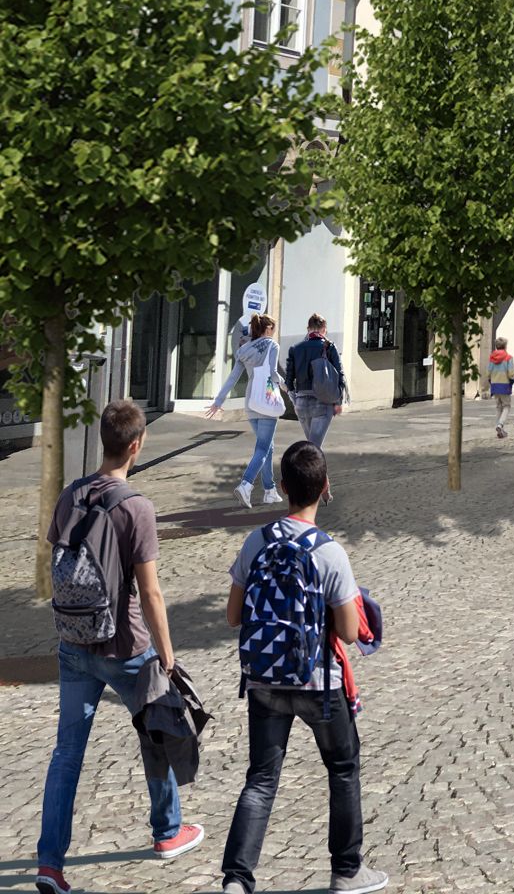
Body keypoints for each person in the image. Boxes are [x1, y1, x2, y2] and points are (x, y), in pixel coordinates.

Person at [36, 399, 205, 894]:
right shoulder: (137, 507)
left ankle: (49, 864)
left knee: (66, 753)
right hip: (127, 645)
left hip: (73, 641)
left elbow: (57, 561)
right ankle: (167, 833)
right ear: (136, 445)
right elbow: (150, 591)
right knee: (157, 728)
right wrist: (166, 655)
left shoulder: (70, 495)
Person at [220, 442, 386, 894]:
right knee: (343, 768)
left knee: (261, 778)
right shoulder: (329, 552)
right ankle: (347, 871)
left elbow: (234, 617)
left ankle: (237, 880)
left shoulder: (256, 541)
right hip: (318, 682)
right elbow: (350, 633)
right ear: (324, 488)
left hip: (263, 678)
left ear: (284, 487)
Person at [205, 314, 285, 509]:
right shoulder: (272, 346)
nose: (274, 332)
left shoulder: (244, 350)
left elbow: (233, 378)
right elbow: (273, 374)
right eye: (273, 328)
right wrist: (285, 386)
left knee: (267, 446)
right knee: (263, 448)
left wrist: (218, 401)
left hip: (251, 401)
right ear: (267, 329)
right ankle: (246, 485)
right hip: (267, 399)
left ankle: (269, 491)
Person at [282, 313, 346, 452]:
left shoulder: (296, 349)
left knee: (312, 446)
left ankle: (314, 473)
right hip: (322, 403)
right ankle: (311, 473)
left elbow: (288, 382)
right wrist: (339, 401)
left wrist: (295, 401)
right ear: (324, 329)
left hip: (301, 404)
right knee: (314, 451)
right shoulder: (329, 347)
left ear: (308, 328)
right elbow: (340, 375)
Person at [484, 337, 514, 438]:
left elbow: (488, 372)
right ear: (505, 346)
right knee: (506, 406)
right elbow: (511, 373)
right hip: (505, 384)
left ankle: (500, 429)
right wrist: (512, 380)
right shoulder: (508, 358)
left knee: (498, 407)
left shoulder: (492, 358)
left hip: (495, 384)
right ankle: (500, 424)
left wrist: (491, 380)